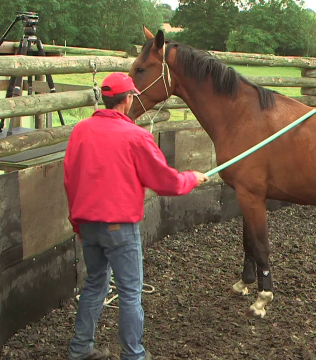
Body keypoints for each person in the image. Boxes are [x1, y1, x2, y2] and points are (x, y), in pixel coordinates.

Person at [64, 72, 209, 360]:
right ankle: (134, 355)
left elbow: (70, 179)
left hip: (88, 225)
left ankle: (80, 350)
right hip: (120, 227)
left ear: (106, 100)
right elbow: (165, 182)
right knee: (130, 292)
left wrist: (77, 223)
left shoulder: (80, 130)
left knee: (95, 284)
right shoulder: (135, 136)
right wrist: (192, 178)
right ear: (128, 99)